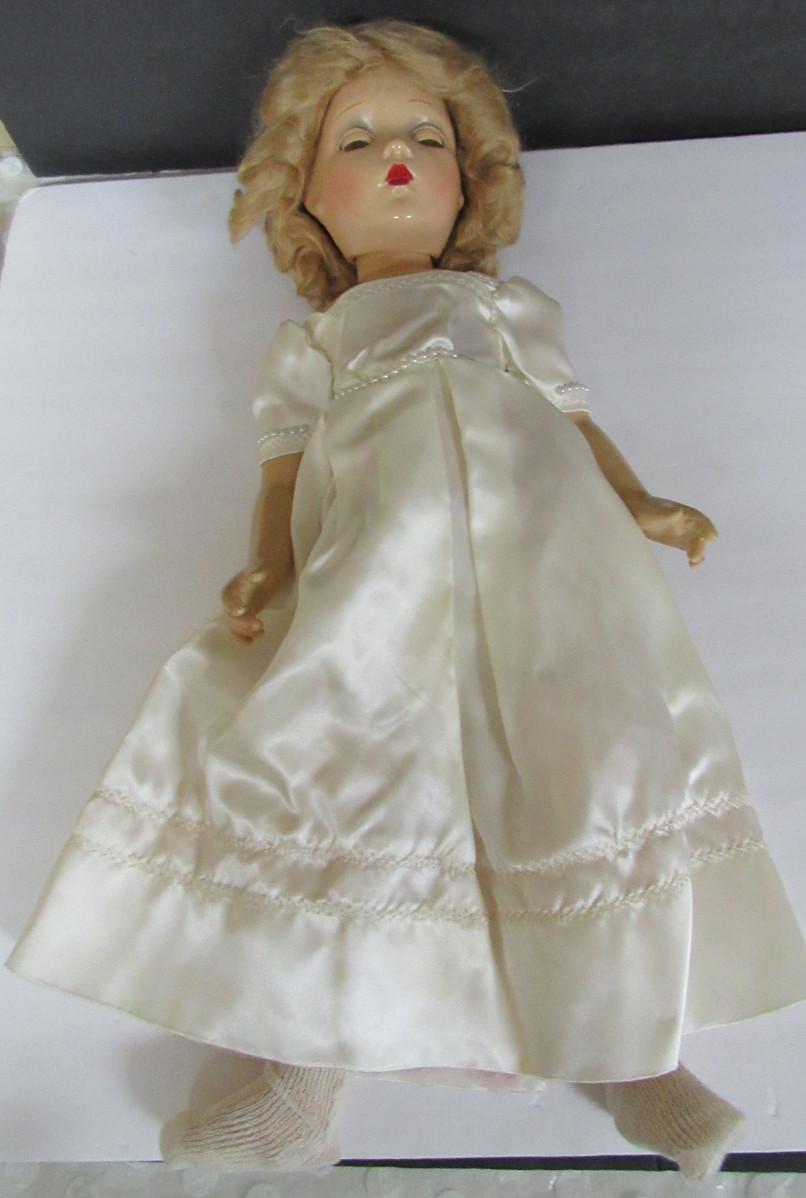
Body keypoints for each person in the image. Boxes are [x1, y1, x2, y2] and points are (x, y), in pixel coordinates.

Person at [6, 18, 806, 1179]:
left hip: (551, 575)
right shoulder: (315, 343)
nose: (395, 157)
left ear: (469, 178)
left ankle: (638, 1053)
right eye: (358, 140)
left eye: (426, 138)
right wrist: (269, 567)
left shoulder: (507, 312)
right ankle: (302, 1078)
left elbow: (573, 422)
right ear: (304, 194)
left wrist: (639, 503)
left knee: (599, 768)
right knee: (342, 773)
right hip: (380, 580)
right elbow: (280, 476)